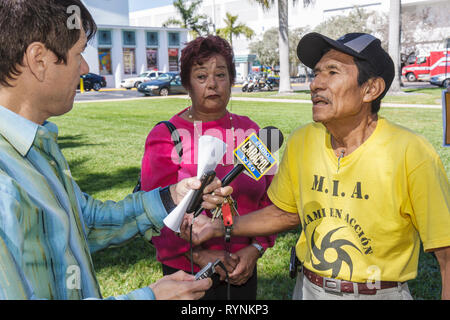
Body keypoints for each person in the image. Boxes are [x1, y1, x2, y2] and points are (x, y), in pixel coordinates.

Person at [183, 32, 450, 300]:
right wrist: (218, 227)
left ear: (371, 89)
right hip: (307, 289)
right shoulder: (302, 140)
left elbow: (447, 254)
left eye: (332, 72)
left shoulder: (411, 152)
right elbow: (285, 214)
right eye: (316, 73)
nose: (315, 84)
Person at [0, 0, 233, 300]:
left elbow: (87, 224)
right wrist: (151, 297)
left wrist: (173, 196)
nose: (85, 68)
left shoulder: (38, 147)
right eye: (78, 54)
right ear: (39, 59)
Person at [140, 35, 276, 300]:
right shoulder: (168, 135)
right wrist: (200, 255)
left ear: (232, 80)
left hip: (242, 269)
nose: (212, 84)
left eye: (221, 75)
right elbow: (153, 213)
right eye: (201, 76)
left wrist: (256, 249)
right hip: (187, 275)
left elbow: (269, 199)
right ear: (187, 84)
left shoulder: (250, 131)